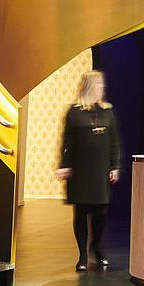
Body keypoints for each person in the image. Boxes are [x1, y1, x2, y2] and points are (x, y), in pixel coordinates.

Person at [56, 70, 121, 272]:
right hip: (80, 169)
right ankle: (82, 255)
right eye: (98, 84)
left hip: (100, 169)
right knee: (81, 211)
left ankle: (96, 246)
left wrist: (115, 166)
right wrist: (63, 164)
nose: (102, 88)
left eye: (102, 84)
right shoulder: (74, 112)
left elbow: (114, 142)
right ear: (89, 87)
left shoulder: (107, 111)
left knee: (101, 211)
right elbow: (66, 141)